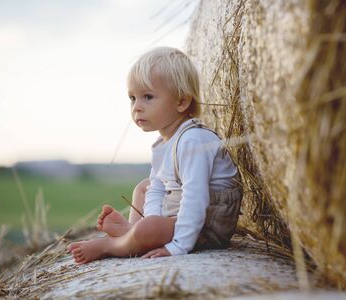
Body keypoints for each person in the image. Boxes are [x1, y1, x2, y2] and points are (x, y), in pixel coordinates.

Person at [67, 47, 242, 264]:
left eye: (147, 97)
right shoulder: (162, 144)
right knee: (144, 187)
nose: (137, 107)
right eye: (132, 98)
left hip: (206, 224)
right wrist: (151, 221)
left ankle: (111, 245)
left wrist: (178, 246)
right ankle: (135, 233)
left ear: (181, 102)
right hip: (178, 212)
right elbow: (157, 188)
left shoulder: (193, 141)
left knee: (152, 225)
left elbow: (196, 198)